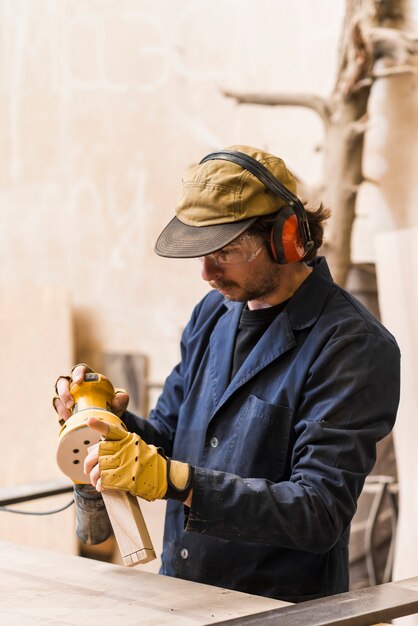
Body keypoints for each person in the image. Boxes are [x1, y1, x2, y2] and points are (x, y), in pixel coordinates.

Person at [54, 145, 400, 603]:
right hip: (182, 598)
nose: (205, 272)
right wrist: (104, 426)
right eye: (199, 252)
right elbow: (168, 439)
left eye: (225, 251)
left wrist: (177, 482)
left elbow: (318, 511)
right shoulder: (213, 315)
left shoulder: (352, 346)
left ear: (285, 238)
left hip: (275, 611)